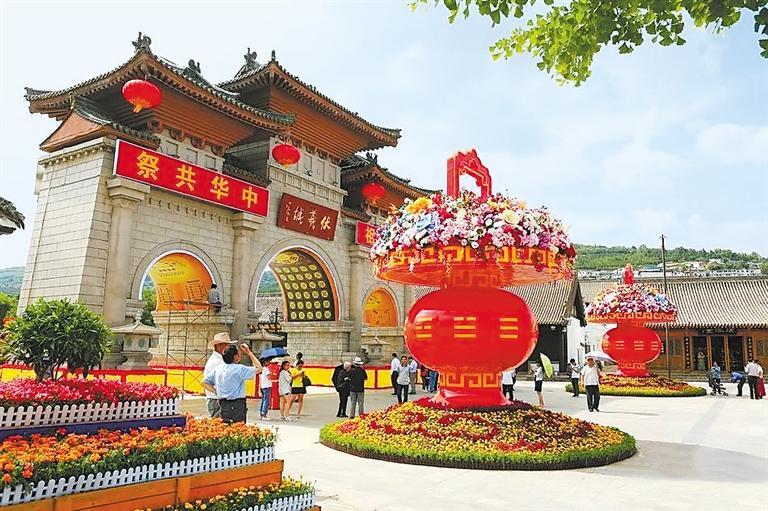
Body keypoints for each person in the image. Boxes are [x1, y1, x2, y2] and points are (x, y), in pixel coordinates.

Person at [201, 343, 263, 423]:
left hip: (223, 404)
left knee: (225, 426)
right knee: (238, 427)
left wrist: (216, 391)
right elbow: (259, 368)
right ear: (235, 357)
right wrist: (249, 352)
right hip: (237, 405)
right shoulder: (239, 369)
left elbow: (204, 382)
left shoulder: (218, 369)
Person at [203, 332, 236, 418]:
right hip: (217, 400)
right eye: (227, 345)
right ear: (218, 346)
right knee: (219, 423)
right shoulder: (216, 361)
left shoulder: (221, 360)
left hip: (219, 399)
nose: (229, 347)